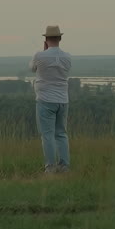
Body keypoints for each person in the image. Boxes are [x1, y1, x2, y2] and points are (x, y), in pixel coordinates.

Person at [29, 24, 72, 174]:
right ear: (60, 38)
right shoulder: (67, 57)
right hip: (63, 100)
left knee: (47, 135)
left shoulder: (39, 55)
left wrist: (44, 50)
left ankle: (50, 168)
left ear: (46, 39)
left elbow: (32, 69)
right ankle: (65, 166)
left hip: (45, 100)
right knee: (61, 133)